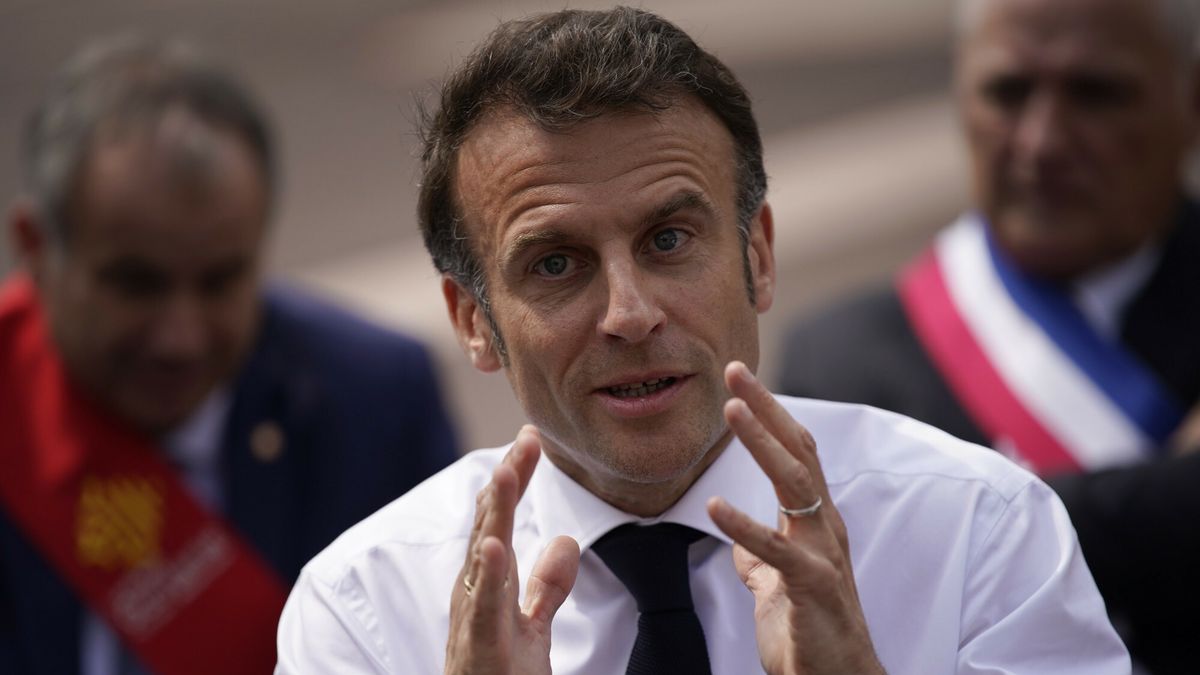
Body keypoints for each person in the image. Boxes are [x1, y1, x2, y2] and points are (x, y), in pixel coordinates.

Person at [275, 8, 1128, 674]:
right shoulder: (369, 608)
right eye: (557, 263)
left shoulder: (977, 529)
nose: (631, 311)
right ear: (473, 321)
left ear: (757, 255)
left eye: (669, 240)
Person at [0, 37, 459, 674]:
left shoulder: (376, 402)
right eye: (136, 283)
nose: (180, 337)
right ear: (36, 249)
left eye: (220, 281)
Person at [777, 0, 1200, 671]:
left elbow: (907, 558)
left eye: (1097, 93)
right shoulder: (844, 364)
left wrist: (943, 521)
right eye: (1009, 91)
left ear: (1192, 100)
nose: (1043, 141)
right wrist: (1171, 495)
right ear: (959, 94)